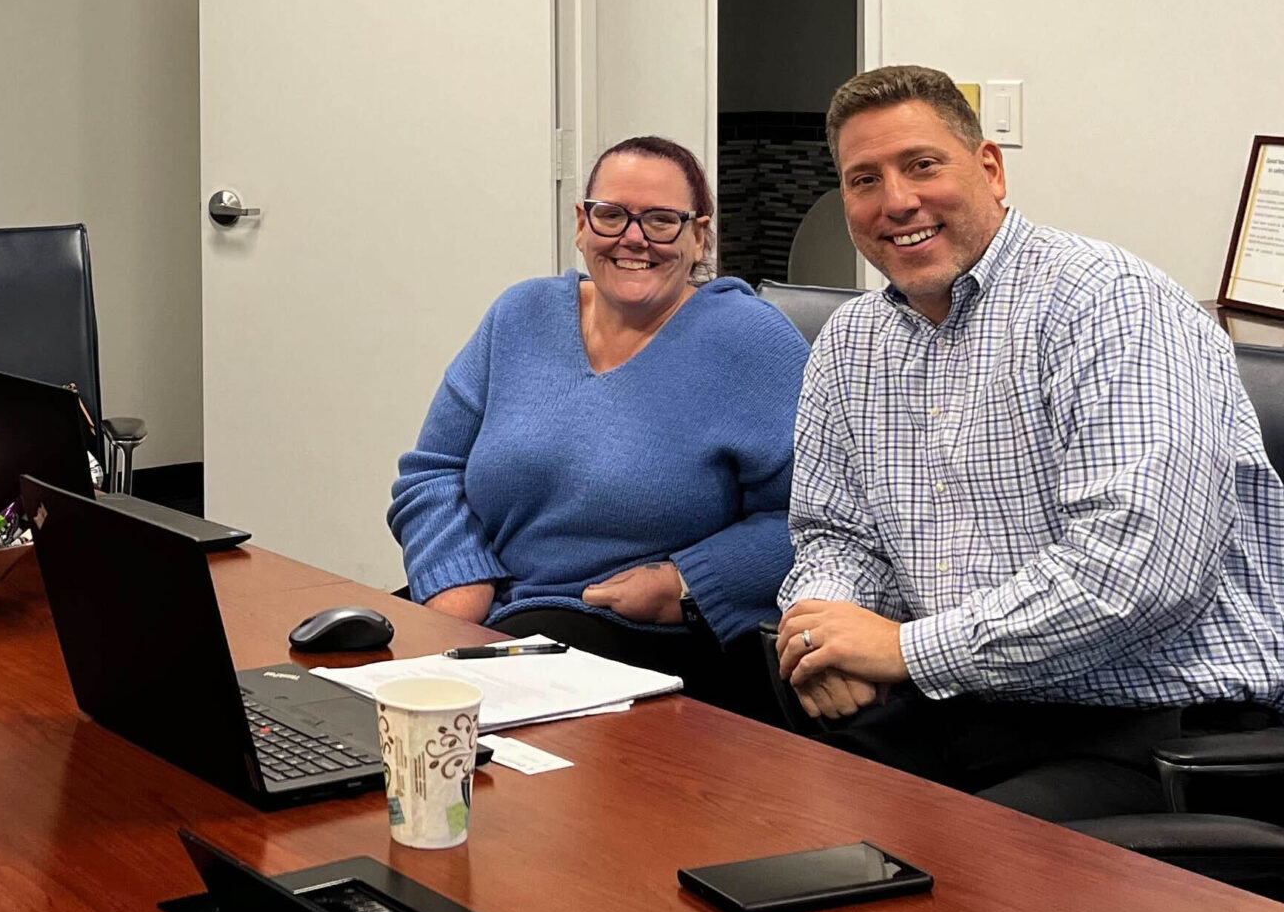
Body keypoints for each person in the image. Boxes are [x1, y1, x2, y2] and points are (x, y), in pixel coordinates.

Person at [778, 66, 1284, 819]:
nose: (897, 202)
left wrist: (903, 651)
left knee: (935, 878)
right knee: (746, 816)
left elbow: (1135, 576)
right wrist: (824, 624)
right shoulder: (851, 344)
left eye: (922, 164)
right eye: (864, 180)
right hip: (953, 707)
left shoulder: (1110, 304)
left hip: (1145, 733)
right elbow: (836, 534)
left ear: (989, 168)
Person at [388, 136, 809, 702]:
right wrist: (458, 588)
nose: (632, 238)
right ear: (582, 224)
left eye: (661, 220)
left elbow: (817, 518)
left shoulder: (751, 342)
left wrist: (685, 583)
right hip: (493, 612)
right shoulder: (522, 313)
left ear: (700, 235)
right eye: (611, 216)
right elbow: (432, 472)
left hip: (642, 636)